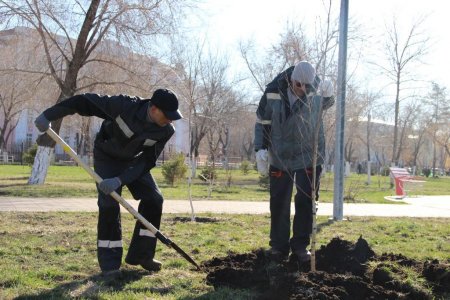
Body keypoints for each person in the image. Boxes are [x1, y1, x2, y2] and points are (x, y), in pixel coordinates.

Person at [34, 89, 183, 275]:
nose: (170, 120)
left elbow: (147, 161)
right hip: (107, 157)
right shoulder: (123, 106)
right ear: (153, 109)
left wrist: (121, 179)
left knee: (154, 199)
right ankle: (110, 265)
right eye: (167, 115)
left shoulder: (166, 131)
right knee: (109, 203)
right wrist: (49, 115)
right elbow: (83, 101)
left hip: (133, 163)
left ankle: (142, 255)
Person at [254, 61, 334, 263]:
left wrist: (329, 94)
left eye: (307, 86)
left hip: (308, 154)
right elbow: (263, 120)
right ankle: (279, 247)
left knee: (306, 200)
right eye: (299, 85)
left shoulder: (315, 90)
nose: (303, 90)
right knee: (279, 201)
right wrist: (260, 148)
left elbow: (327, 103)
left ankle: (300, 246)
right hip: (280, 154)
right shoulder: (273, 91)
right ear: (292, 80)